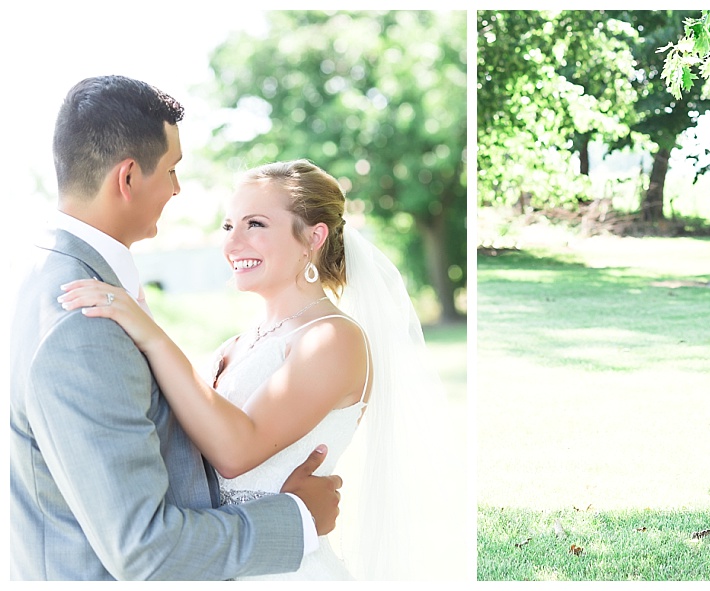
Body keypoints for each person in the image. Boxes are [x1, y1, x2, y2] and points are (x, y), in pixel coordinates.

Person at [10, 75, 341, 580]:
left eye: (255, 224)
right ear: (127, 178)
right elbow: (146, 549)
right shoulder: (81, 317)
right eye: (171, 170)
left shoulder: (56, 281)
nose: (177, 188)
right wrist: (297, 519)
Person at [60, 159, 453, 580]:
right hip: (223, 558)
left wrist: (152, 335)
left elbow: (235, 452)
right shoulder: (237, 345)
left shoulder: (332, 339)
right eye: (229, 227)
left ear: (313, 237)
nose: (233, 244)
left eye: (256, 225)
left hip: (284, 573)